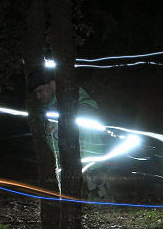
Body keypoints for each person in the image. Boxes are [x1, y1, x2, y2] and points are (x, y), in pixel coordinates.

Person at [27, 67, 110, 199]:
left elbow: (89, 108)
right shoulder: (48, 107)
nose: (38, 96)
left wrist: (67, 110)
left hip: (89, 168)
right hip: (66, 170)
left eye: (40, 90)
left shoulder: (72, 95)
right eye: (36, 93)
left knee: (97, 212)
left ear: (52, 84)